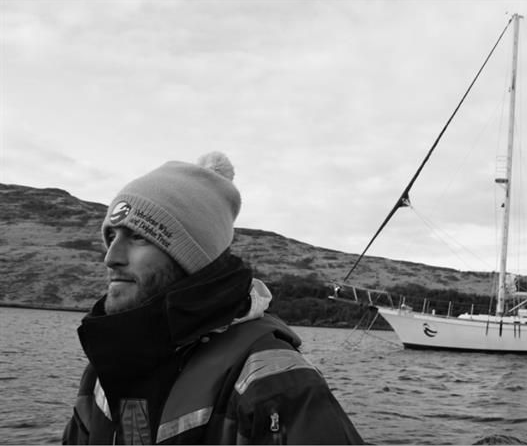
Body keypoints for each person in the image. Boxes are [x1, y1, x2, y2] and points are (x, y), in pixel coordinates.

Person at [62, 152, 363, 444]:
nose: (110, 257)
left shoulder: (275, 383)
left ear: (192, 258)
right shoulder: (107, 366)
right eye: (111, 236)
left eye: (138, 236)